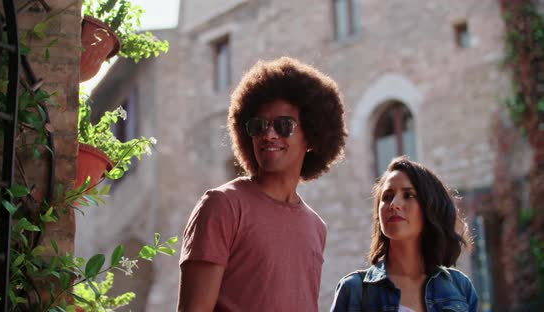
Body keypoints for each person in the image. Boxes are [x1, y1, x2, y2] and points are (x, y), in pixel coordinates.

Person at [177, 57, 348, 312]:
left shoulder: (316, 227)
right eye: (259, 126)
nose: (269, 134)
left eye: (283, 125)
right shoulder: (222, 206)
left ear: (312, 136)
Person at [330, 156, 478, 312]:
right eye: (387, 197)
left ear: (429, 208)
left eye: (408, 195)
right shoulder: (354, 290)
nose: (393, 205)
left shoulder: (460, 288)